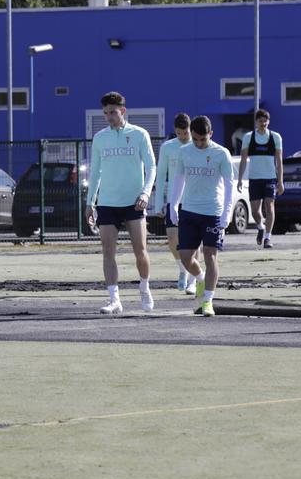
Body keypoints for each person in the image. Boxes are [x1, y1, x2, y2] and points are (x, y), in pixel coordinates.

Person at [85, 91, 157, 314]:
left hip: (134, 203)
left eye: (113, 112)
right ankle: (114, 299)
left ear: (123, 111)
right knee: (108, 251)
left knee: (140, 250)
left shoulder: (139, 134)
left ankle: (144, 287)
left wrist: (145, 194)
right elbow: (95, 172)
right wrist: (90, 202)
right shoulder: (100, 138)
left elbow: (151, 166)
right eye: (106, 113)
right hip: (107, 202)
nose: (109, 117)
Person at [167, 116, 233, 317]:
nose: (198, 143)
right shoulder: (184, 152)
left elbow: (229, 185)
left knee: (210, 256)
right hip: (189, 211)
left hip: (212, 212)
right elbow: (178, 179)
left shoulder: (221, 153)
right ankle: (200, 278)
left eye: (202, 140)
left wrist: (226, 213)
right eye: (195, 139)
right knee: (186, 258)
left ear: (210, 135)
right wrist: (173, 206)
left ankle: (207, 301)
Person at [151, 113, 203, 296]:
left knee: (193, 243)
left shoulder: (196, 145)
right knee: (173, 239)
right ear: (175, 131)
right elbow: (161, 174)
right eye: (179, 133)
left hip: (193, 200)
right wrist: (158, 205)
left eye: (185, 133)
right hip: (174, 200)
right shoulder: (168, 147)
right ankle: (182, 268)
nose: (182, 136)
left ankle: (192, 280)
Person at [236, 109, 284, 248]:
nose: (263, 123)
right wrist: (240, 179)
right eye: (260, 121)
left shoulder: (275, 137)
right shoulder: (248, 137)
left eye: (265, 121)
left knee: (269, 206)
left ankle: (268, 238)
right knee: (255, 211)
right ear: (256, 122)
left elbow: (279, 160)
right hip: (254, 179)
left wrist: (280, 181)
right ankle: (260, 227)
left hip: (270, 178)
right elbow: (243, 159)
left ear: (268, 122)